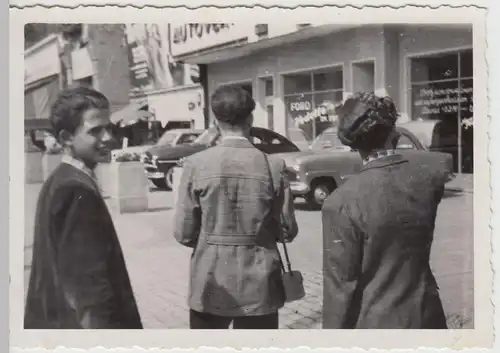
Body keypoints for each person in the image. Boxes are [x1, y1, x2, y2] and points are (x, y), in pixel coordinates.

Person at [174, 85, 298, 329]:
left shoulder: (195, 165)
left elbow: (183, 233)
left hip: (210, 282)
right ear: (250, 118)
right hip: (260, 286)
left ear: (215, 121)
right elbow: (287, 231)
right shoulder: (273, 165)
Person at [322, 92, 448, 329]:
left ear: (351, 143)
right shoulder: (428, 181)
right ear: (395, 134)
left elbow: (340, 289)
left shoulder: (340, 202)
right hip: (428, 317)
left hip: (377, 325)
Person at [24, 87, 143, 329]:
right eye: (95, 131)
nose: (108, 137)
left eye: (108, 128)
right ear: (67, 137)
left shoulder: (62, 179)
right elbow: (88, 292)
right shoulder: (76, 190)